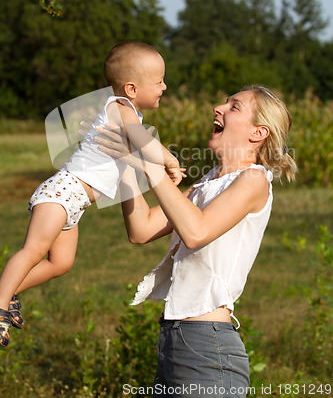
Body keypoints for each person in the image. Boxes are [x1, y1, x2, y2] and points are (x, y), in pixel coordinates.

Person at [94, 85, 297, 398]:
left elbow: (196, 231)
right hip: (175, 339)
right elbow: (142, 229)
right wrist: (125, 165)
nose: (218, 108)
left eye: (234, 106)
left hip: (208, 347)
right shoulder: (207, 182)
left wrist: (147, 161)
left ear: (258, 133)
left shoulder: (254, 180)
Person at [0, 41, 183, 348]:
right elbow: (141, 141)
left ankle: (8, 290)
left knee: (61, 263)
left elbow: (137, 149)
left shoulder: (129, 112)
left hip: (75, 204)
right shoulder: (120, 107)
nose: (164, 86)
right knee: (33, 251)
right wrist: (169, 159)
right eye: (159, 80)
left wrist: (162, 168)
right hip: (62, 192)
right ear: (132, 88)